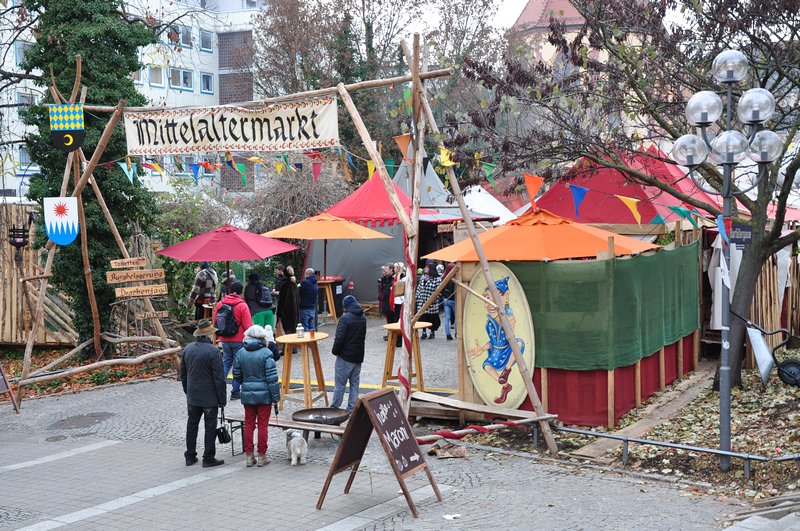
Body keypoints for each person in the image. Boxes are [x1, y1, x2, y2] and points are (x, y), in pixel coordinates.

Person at [467, 277, 523, 404]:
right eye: (487, 298)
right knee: (486, 366)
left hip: (509, 349)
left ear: (506, 296)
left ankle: (506, 370)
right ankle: (505, 386)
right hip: (497, 352)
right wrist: (481, 349)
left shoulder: (507, 314)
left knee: (519, 343)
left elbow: (511, 320)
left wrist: (507, 320)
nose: (490, 303)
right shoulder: (489, 323)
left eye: (495, 298)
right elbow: (493, 342)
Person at [180, 319, 227, 468]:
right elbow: (219, 379)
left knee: (192, 424)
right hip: (209, 397)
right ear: (209, 335)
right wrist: (222, 400)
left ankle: (190, 456)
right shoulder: (213, 351)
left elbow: (183, 374)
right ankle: (208, 457)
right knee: (209, 427)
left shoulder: (188, 349)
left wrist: (188, 391)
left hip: (193, 396)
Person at [233, 325, 280, 467]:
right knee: (262, 425)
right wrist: (276, 397)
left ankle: (249, 456)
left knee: (248, 424)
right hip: (264, 395)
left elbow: (236, 375)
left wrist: (246, 384)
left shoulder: (241, 353)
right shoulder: (266, 353)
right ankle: (262, 456)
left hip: (247, 394)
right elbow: (272, 379)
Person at [213, 281, 253, 400]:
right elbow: (248, 326)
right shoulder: (242, 305)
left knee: (226, 363)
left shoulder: (220, 304)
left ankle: (219, 390)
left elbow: (215, 321)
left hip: (224, 339)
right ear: (241, 291)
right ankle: (235, 392)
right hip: (239, 340)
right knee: (238, 366)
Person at [331, 295, 367, 413]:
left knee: (340, 384)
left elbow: (339, 338)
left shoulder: (345, 318)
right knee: (354, 383)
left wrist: (335, 351)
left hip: (345, 357)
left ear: (345, 306)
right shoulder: (363, 317)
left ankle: (335, 408)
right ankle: (352, 408)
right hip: (358, 356)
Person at [416, 259, 442, 339]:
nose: (425, 269)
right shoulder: (422, 278)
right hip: (422, 302)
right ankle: (424, 332)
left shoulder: (437, 279)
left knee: (432, 319)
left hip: (431, 304)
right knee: (423, 318)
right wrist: (417, 297)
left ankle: (432, 332)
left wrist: (433, 299)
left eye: (427, 268)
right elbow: (419, 288)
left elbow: (439, 291)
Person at [275, 266, 299, 340]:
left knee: (286, 331)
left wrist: (279, 314)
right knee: (293, 330)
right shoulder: (294, 284)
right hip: (295, 312)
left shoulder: (284, 285)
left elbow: (281, 301)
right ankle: (294, 347)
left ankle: (287, 348)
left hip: (286, 312)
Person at [298, 267, 318, 332]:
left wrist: (298, 286)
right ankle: (313, 340)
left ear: (307, 274)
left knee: (305, 326)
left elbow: (299, 291)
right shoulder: (315, 282)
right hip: (312, 307)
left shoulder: (305, 282)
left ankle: (306, 341)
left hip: (304, 307)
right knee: (311, 325)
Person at [378, 264, 394, 339]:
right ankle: (389, 332)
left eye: (387, 269)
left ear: (391, 270)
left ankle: (393, 333)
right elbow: (382, 288)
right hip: (385, 301)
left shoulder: (393, 278)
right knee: (388, 317)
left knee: (392, 317)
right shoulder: (385, 278)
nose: (385, 271)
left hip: (391, 301)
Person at [441, 263, 457, 341]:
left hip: (445, 299)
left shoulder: (444, 278)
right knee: (457, 317)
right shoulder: (455, 279)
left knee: (447, 318)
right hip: (453, 300)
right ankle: (457, 333)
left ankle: (448, 335)